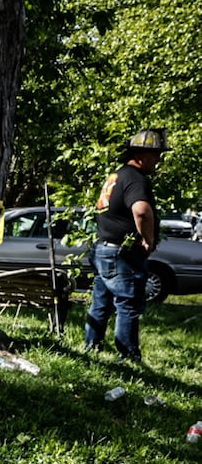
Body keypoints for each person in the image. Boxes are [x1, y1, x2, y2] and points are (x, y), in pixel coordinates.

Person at [84, 128, 171, 361]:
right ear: (140, 154)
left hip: (104, 248)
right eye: (155, 155)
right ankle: (128, 355)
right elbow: (142, 211)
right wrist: (148, 239)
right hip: (123, 254)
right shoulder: (135, 178)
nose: (158, 160)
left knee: (101, 303)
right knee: (128, 304)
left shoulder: (117, 175)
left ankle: (91, 347)